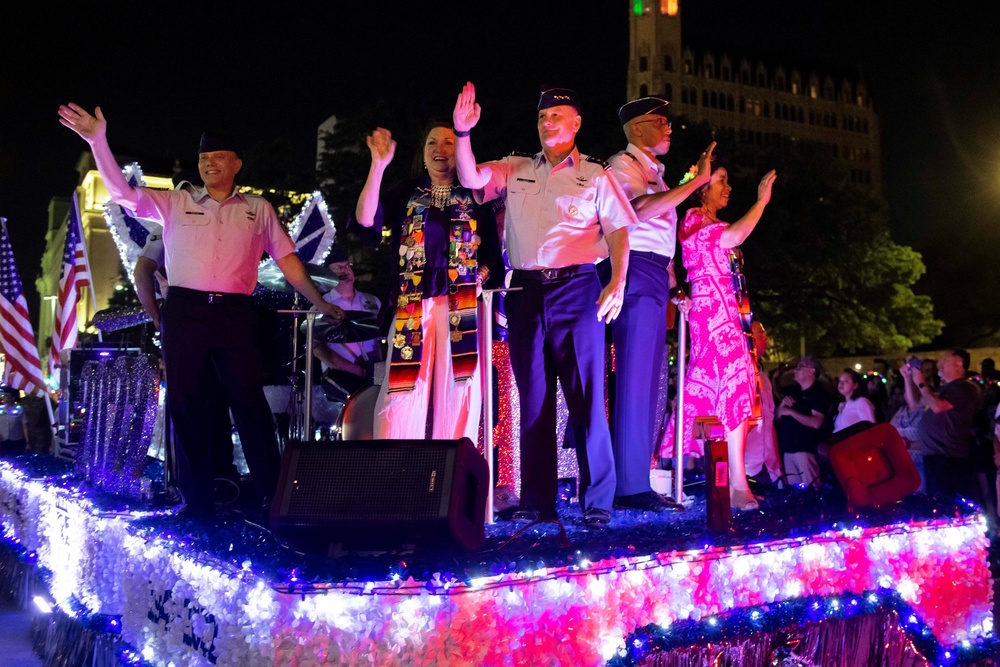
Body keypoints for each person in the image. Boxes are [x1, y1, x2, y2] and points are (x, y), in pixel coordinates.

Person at [58, 103, 344, 517]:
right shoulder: (175, 203)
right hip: (186, 310)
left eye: (218, 158)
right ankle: (196, 499)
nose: (209, 165)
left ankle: (274, 494)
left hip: (234, 313)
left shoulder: (258, 209)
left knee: (249, 403)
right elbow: (122, 194)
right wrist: (97, 141)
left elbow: (289, 263)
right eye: (204, 159)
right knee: (185, 404)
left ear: (236, 164)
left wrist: (320, 303)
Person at [453, 82, 637, 527]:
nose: (547, 122)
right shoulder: (516, 167)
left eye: (556, 115)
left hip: (577, 288)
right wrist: (462, 134)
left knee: (587, 397)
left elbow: (618, 230)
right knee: (533, 398)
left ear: (576, 123)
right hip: (525, 292)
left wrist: (617, 279)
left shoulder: (594, 174)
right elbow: (471, 178)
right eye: (541, 117)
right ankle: (538, 501)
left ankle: (597, 503)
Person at [351, 119, 502, 443]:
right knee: (403, 392)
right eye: (432, 143)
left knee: (459, 391)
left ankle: (453, 473)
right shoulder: (408, 192)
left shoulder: (476, 196)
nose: (440, 150)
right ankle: (398, 473)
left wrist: (481, 275)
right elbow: (366, 224)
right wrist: (377, 166)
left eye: (449, 142)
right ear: (422, 153)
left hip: (460, 303)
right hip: (413, 303)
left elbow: (493, 253)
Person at [604, 95, 713, 512]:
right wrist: (695, 184)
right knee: (633, 377)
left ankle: (637, 480)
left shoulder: (656, 172)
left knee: (650, 381)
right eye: (659, 121)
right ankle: (628, 486)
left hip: (654, 273)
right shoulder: (622, 165)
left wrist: (671, 285)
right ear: (635, 129)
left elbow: (663, 233)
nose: (668, 127)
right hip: (631, 270)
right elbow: (638, 211)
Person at [664, 161, 777, 510]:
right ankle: (735, 485)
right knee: (732, 384)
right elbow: (733, 237)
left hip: (730, 312)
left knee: (738, 386)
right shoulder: (695, 218)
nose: (728, 187)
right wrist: (761, 202)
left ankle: (732, 482)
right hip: (713, 313)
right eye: (721, 181)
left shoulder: (710, 220)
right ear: (701, 187)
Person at [134, 227, 241, 497]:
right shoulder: (170, 226)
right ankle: (203, 482)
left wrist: (159, 318)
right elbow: (142, 272)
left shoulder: (177, 225)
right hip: (195, 319)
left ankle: (206, 481)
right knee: (196, 402)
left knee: (204, 401)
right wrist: (159, 318)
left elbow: (142, 272)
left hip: (201, 319)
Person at [899, 347, 979, 498]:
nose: (939, 364)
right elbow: (915, 403)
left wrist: (922, 384)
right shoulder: (943, 390)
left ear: (959, 363)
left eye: (945, 361)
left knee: (948, 506)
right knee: (938, 505)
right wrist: (908, 379)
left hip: (948, 458)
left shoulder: (963, 388)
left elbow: (938, 406)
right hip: (935, 457)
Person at [311, 245, 383, 404]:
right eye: (338, 267)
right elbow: (318, 349)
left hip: (374, 371)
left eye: (347, 266)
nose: (345, 271)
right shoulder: (323, 305)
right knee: (363, 399)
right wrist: (358, 371)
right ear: (327, 274)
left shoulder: (372, 301)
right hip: (340, 374)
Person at [775, 355, 830, 489]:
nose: (795, 371)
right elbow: (777, 416)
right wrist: (782, 406)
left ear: (811, 370)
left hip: (805, 450)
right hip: (788, 450)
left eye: (799, 368)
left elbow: (816, 422)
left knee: (811, 489)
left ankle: (818, 510)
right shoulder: (793, 391)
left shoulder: (818, 393)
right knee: (795, 491)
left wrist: (791, 412)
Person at [744, 321, 784, 487]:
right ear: (750, 339)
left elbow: (769, 423)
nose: (766, 339)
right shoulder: (741, 375)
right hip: (747, 468)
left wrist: (778, 464)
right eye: (762, 335)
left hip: (769, 467)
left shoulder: (765, 378)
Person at [0, 388, 29, 456]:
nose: (4, 397)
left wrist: (27, 442)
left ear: (13, 398)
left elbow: (24, 426)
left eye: (7, 395)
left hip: (16, 440)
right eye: (4, 395)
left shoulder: (19, 409)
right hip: (2, 440)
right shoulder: (1, 409)